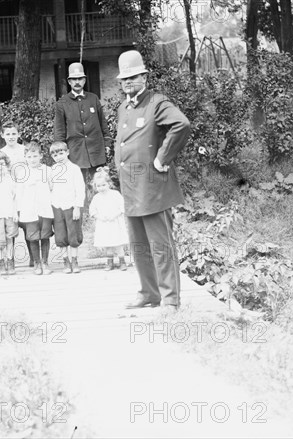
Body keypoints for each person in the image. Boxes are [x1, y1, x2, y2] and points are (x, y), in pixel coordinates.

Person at [114, 50, 191, 312]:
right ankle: (149, 293)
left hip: (153, 188)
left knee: (161, 247)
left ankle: (170, 299)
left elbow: (181, 124)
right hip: (131, 188)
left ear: (145, 77)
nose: (128, 82)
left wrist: (162, 159)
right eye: (124, 78)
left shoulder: (157, 103)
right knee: (139, 247)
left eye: (133, 77)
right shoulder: (123, 107)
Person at [53, 62, 113, 184]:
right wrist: (61, 152)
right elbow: (59, 131)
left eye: (80, 79)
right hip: (76, 152)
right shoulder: (62, 103)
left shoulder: (93, 98)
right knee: (79, 186)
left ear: (84, 80)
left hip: (96, 150)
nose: (77, 82)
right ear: (69, 82)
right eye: (74, 79)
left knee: (100, 184)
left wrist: (107, 143)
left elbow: (103, 123)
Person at [16, 142, 54, 275]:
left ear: (41, 156)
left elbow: (51, 188)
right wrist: (19, 210)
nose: (32, 160)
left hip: (45, 209)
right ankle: (36, 263)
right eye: (29, 157)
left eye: (35, 156)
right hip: (29, 210)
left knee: (45, 236)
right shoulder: (22, 173)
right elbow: (19, 193)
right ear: (25, 157)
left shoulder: (47, 170)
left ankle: (45, 262)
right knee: (32, 237)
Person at [0, 121, 34, 267]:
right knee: (10, 227)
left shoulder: (25, 150)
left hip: (25, 191)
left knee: (27, 225)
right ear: (2, 135)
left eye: (14, 133)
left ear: (18, 134)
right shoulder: (1, 153)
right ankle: (10, 259)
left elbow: (32, 167)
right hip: (9, 193)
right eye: (8, 134)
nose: (11, 137)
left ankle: (33, 257)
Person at [49, 141, 85, 274]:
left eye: (61, 153)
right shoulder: (52, 170)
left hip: (71, 206)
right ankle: (65, 260)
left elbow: (80, 189)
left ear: (67, 152)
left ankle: (75, 260)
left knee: (73, 233)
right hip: (57, 206)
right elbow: (50, 188)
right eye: (55, 155)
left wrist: (77, 207)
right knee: (60, 234)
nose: (58, 157)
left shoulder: (74, 169)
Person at [89, 167, 129, 271]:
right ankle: (109, 263)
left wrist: (114, 215)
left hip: (115, 222)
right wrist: (100, 217)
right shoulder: (96, 198)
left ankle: (122, 262)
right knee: (108, 245)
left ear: (109, 184)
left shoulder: (115, 194)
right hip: (104, 224)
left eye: (103, 185)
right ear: (95, 186)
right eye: (98, 186)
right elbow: (92, 211)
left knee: (118, 243)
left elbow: (122, 207)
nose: (101, 188)